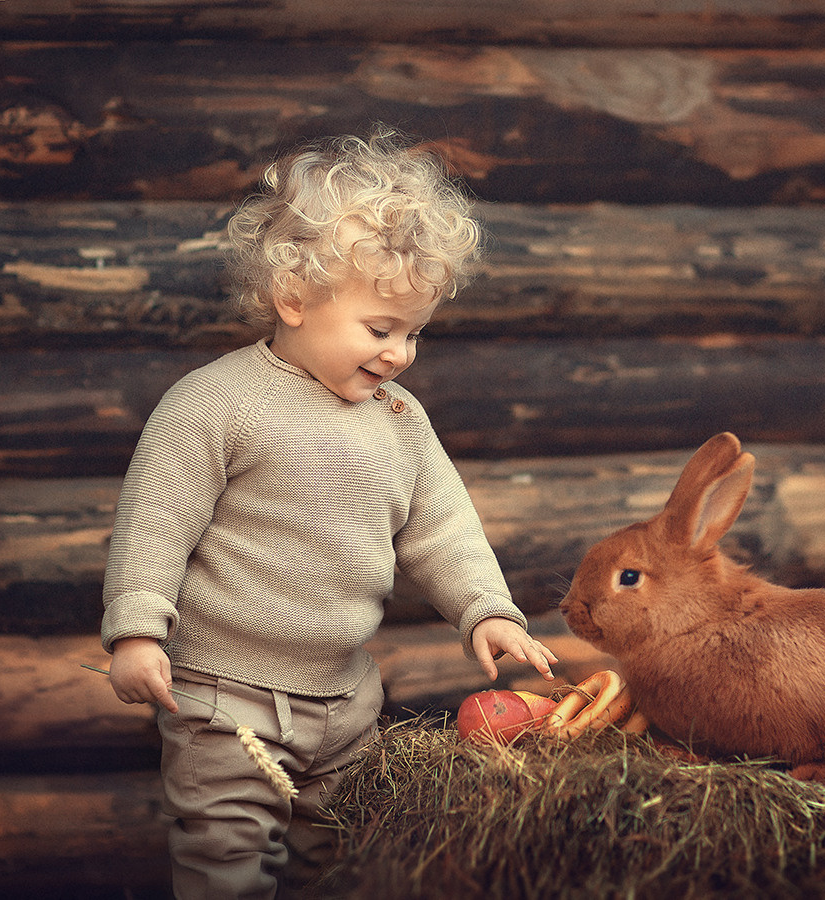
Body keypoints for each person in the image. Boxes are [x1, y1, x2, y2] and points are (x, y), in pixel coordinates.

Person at [101, 128, 558, 898]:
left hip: (347, 705)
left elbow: (442, 526)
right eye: (380, 329)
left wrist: (485, 609)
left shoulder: (400, 420)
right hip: (225, 700)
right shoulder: (216, 404)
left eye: (413, 332)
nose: (400, 353)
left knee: (334, 862)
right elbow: (155, 521)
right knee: (227, 864)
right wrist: (137, 630)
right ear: (294, 299)